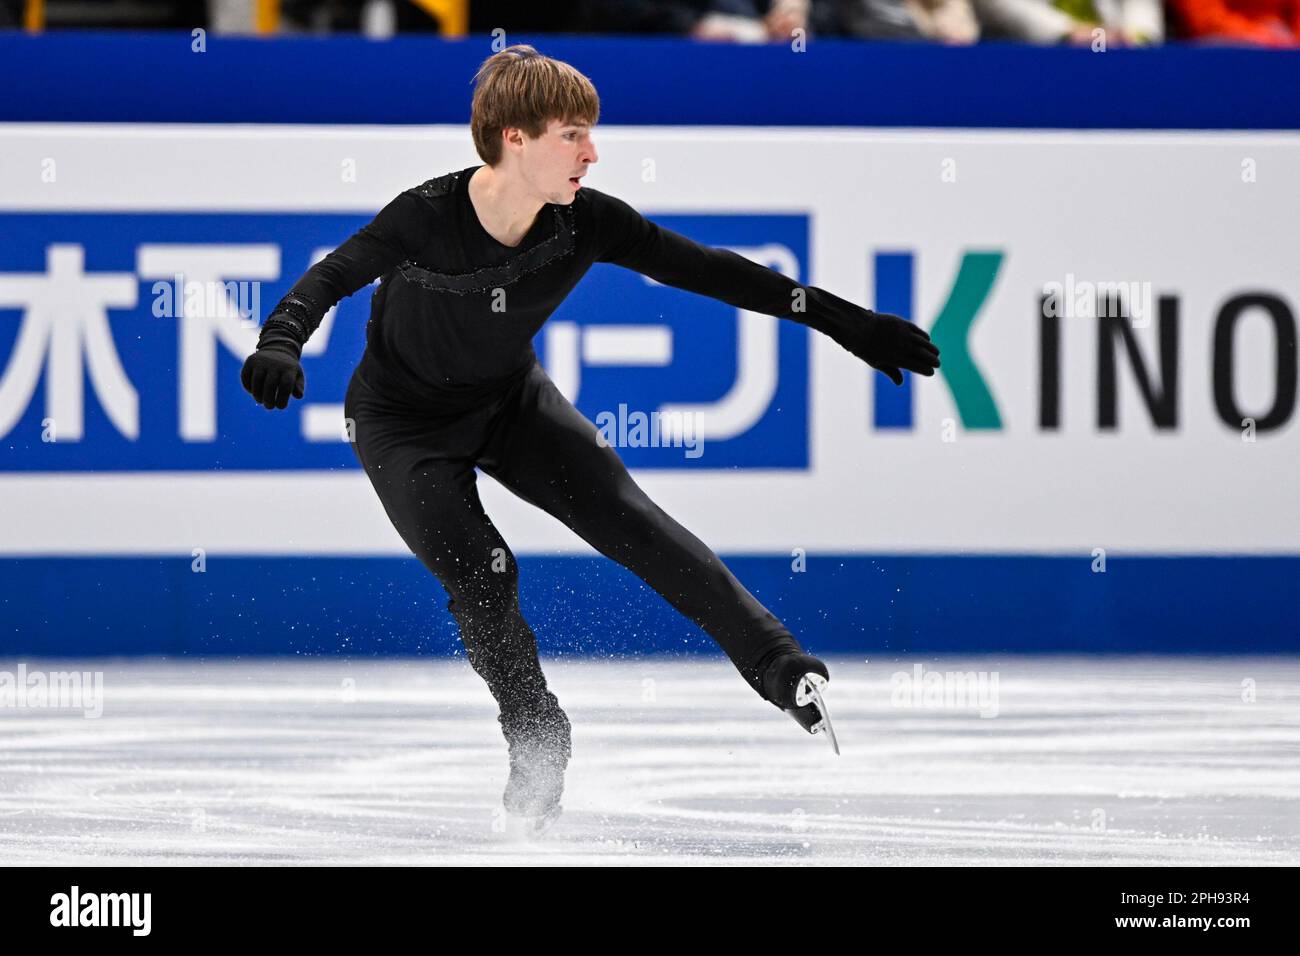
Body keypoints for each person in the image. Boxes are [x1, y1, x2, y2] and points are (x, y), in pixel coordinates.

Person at [239, 44, 941, 832]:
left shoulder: (585, 222)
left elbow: (709, 269)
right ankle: (535, 728)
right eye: (573, 134)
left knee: (636, 523)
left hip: (511, 403)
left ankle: (780, 667)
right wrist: (281, 341)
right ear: (514, 137)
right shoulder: (425, 215)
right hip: (402, 426)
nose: (592, 151)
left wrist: (847, 322)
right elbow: (331, 274)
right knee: (484, 574)